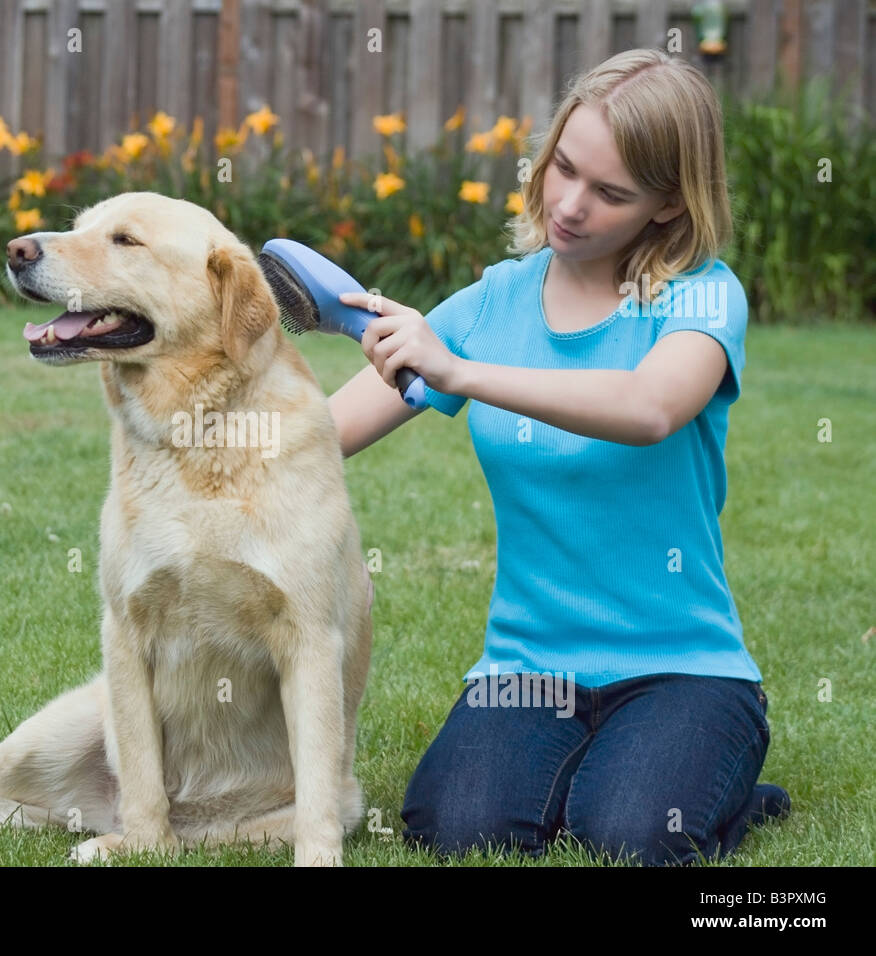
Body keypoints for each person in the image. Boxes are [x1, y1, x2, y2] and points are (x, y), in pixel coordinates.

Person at [328, 48, 790, 866]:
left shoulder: (702, 297)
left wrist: (460, 372)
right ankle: (611, 765)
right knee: (457, 829)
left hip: (683, 668)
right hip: (529, 668)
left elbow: (650, 409)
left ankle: (731, 791)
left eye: (610, 193)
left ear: (668, 205)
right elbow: (323, 436)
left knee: (633, 835)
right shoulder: (493, 301)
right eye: (563, 169)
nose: (570, 206)